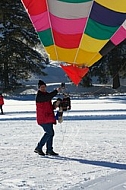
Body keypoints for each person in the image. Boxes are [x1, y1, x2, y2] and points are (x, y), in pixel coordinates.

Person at [34, 80, 61, 156]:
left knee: (51, 133)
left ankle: (49, 150)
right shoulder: (40, 96)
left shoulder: (45, 95)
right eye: (41, 87)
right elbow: (48, 97)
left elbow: (48, 106)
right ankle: (39, 147)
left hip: (48, 117)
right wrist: (56, 91)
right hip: (43, 118)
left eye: (44, 87)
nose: (43, 88)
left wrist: (55, 105)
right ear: (39, 88)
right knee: (49, 133)